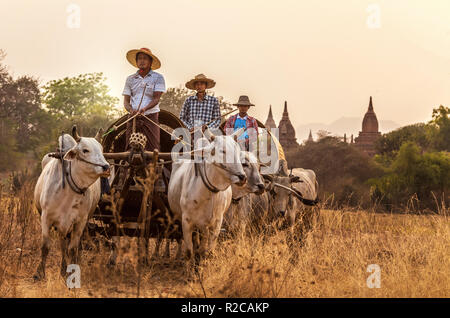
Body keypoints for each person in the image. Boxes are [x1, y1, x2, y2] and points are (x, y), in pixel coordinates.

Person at [122, 47, 166, 151]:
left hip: (150, 117)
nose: (142, 61)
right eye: (140, 58)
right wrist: (131, 110)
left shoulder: (158, 77)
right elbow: (126, 101)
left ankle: (153, 166)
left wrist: (144, 109)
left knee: (153, 148)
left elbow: (156, 99)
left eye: (145, 58)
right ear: (136, 62)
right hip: (133, 118)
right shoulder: (130, 79)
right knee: (129, 148)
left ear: (150, 62)